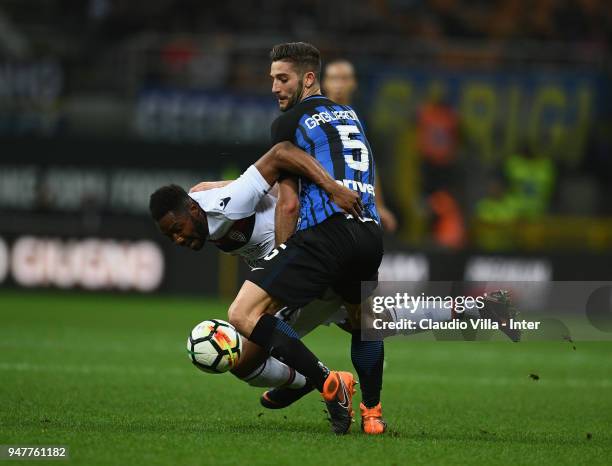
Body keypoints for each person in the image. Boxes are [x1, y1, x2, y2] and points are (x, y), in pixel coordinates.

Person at [322, 59, 398, 233]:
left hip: (354, 205)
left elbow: (366, 163)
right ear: (324, 83)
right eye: (333, 78)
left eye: (344, 78)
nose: (339, 84)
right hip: (325, 203)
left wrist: (379, 205)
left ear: (353, 83)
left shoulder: (358, 118)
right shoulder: (315, 116)